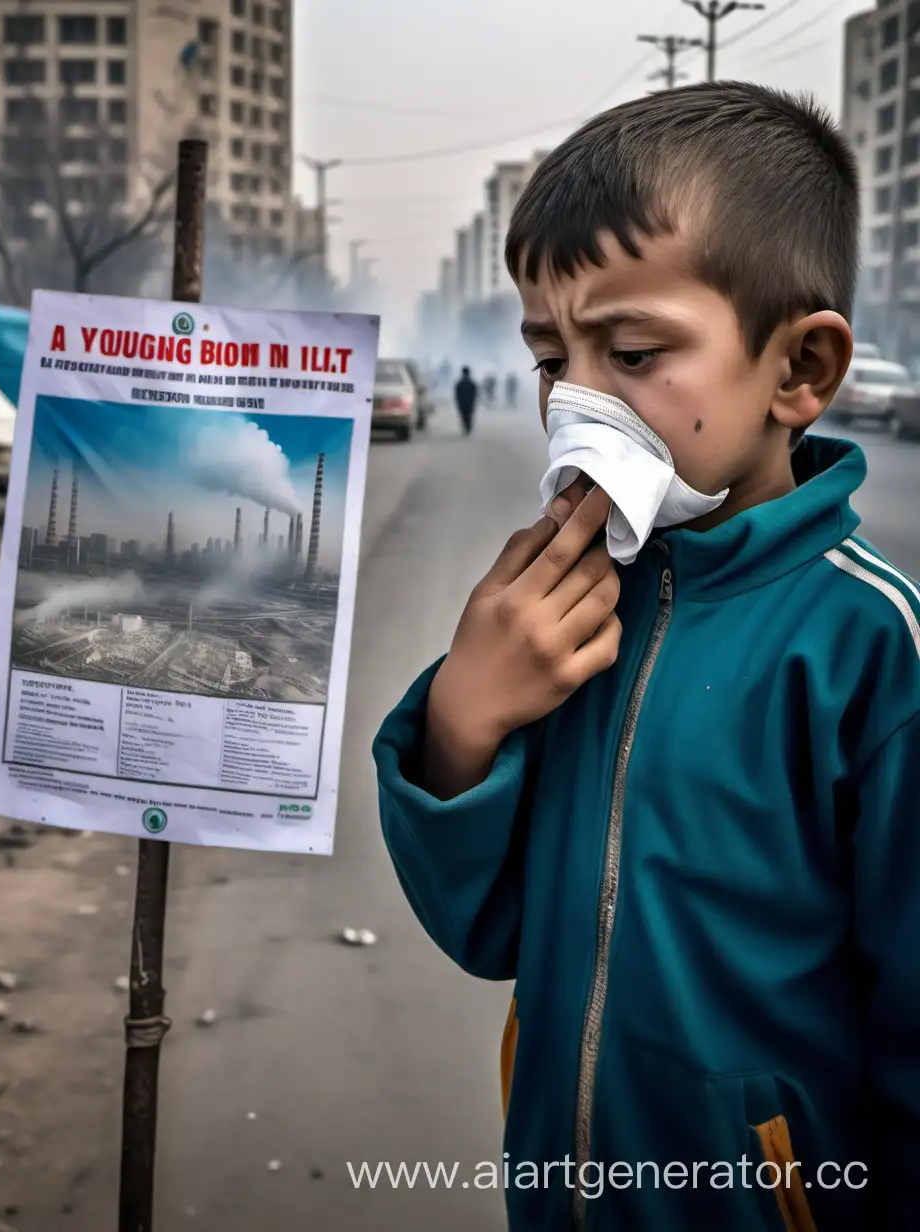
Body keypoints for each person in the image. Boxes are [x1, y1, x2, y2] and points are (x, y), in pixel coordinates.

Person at [374, 82, 920, 1230]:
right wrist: (463, 724)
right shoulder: (559, 614)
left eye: (628, 350)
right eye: (547, 358)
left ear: (798, 372)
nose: (574, 401)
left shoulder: (869, 651)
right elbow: (487, 930)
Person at [454, 365, 478, 435]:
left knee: (463, 416)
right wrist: (473, 401)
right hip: (470, 403)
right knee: (469, 415)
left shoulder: (459, 383)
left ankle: (466, 427)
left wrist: (458, 402)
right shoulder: (472, 383)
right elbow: (475, 394)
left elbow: (457, 394)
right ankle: (468, 427)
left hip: (462, 403)